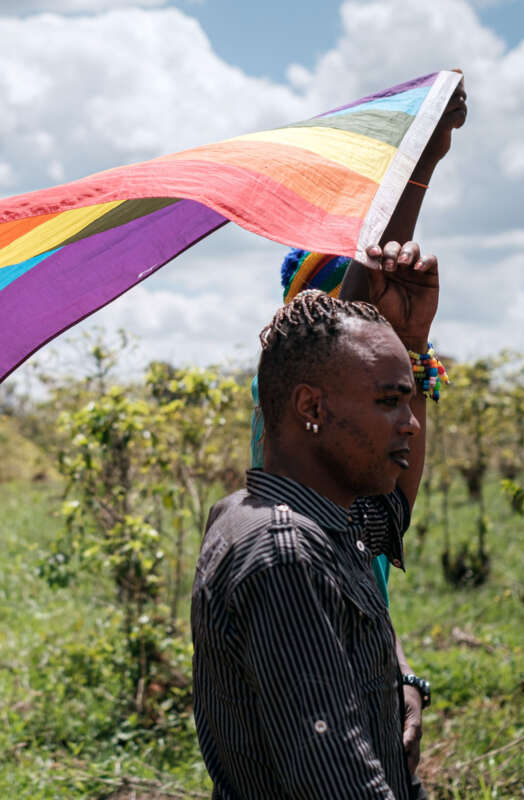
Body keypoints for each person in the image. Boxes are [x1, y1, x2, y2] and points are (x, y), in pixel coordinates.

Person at [192, 239, 444, 798]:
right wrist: (419, 165)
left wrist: (412, 340)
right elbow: (339, 784)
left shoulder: (326, 521)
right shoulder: (287, 555)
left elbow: (392, 509)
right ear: (311, 408)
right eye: (388, 402)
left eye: (410, 399)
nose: (411, 424)